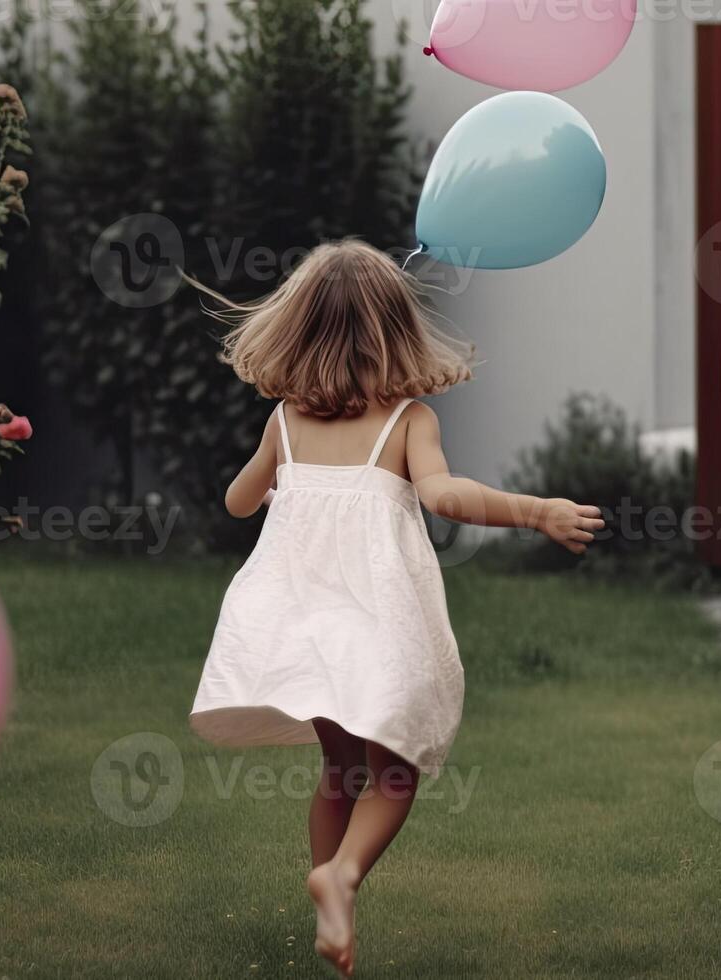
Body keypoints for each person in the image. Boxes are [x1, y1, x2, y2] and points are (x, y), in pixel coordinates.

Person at [188, 240, 604, 976]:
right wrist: (537, 511)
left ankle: (332, 904)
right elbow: (444, 497)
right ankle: (341, 877)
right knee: (398, 769)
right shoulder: (408, 422)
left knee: (339, 768)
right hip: (375, 625)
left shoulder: (284, 422)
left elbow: (236, 500)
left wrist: (276, 484)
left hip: (300, 623)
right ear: (395, 333)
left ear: (297, 330)